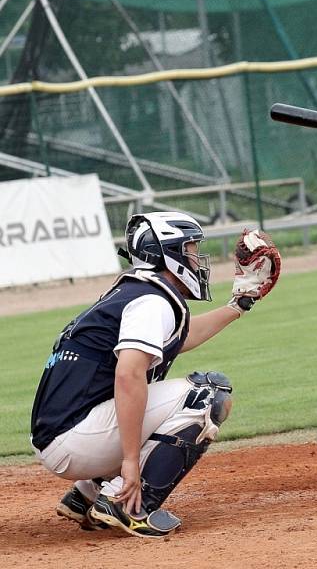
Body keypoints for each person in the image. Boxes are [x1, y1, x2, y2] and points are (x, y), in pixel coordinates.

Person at [30, 212, 280, 537]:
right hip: (75, 440)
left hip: (65, 433)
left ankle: (86, 495)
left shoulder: (135, 292)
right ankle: (131, 505)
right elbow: (128, 375)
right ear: (168, 254)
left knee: (157, 397)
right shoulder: (152, 301)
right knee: (207, 394)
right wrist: (130, 461)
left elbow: (181, 338)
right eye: (190, 249)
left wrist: (239, 305)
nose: (196, 259)